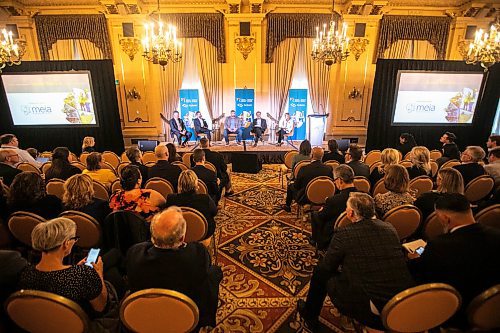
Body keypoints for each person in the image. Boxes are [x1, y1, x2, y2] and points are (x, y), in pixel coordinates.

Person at [297, 193, 414, 331]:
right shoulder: (390, 228)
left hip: (373, 311)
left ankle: (310, 314)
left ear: (350, 213)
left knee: (320, 272)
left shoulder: (344, 233)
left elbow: (328, 266)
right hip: (405, 300)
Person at [410, 193, 500, 329]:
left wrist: (416, 259)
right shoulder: (496, 236)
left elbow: (422, 279)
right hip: (493, 311)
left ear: (445, 218)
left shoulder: (438, 246)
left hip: (457, 316)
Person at [126, 206, 223, 329]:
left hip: (145, 317)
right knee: (215, 272)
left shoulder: (135, 253)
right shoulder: (197, 253)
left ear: (152, 236)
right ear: (182, 238)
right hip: (186, 318)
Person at [19, 218, 108, 316]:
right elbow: (100, 307)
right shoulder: (83, 275)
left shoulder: (26, 273)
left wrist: (76, 269)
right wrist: (99, 274)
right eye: (74, 239)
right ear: (66, 243)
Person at [311, 165, 358, 249]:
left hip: (335, 236)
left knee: (315, 214)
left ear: (340, 180)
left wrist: (323, 209)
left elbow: (322, 216)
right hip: (357, 235)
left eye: (334, 180)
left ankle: (317, 241)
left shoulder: (333, 200)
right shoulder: (365, 196)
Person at [164, 170, 217, 239]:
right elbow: (214, 212)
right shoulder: (205, 198)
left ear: (179, 184)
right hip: (203, 233)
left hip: (177, 233)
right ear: (196, 184)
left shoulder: (171, 199)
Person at [282, 147, 333, 212]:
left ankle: (287, 206)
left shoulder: (304, 169)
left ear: (311, 156)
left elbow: (296, 186)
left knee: (290, 186)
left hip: (306, 198)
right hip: (325, 197)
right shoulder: (329, 168)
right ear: (322, 156)